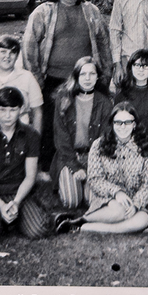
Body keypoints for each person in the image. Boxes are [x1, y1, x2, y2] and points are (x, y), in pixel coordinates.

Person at [22, 0, 111, 170]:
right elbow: (29, 45)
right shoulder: (44, 11)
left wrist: (105, 75)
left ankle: (89, 163)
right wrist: (37, 79)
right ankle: (48, 167)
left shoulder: (91, 11)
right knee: (51, 125)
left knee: (85, 123)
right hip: (53, 79)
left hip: (85, 79)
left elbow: (104, 43)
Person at [56, 105, 148, 234]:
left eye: (127, 122)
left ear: (134, 124)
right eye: (118, 122)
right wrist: (117, 192)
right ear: (112, 124)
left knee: (142, 220)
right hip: (107, 199)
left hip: (136, 200)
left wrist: (136, 205)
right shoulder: (99, 145)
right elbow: (94, 179)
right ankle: (84, 220)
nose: (122, 127)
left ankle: (83, 227)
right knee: (119, 210)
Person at [0, 87, 50, 240]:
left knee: (38, 231)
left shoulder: (31, 135)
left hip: (19, 191)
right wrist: (1, 205)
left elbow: (30, 176)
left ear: (20, 110)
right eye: (2, 110)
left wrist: (16, 202)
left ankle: (19, 215)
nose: (7, 115)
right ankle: (4, 217)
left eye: (13, 110)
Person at [49, 56, 112, 210]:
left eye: (92, 74)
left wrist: (92, 166)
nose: (87, 78)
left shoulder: (104, 103)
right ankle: (71, 183)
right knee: (72, 201)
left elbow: (104, 139)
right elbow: (61, 138)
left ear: (98, 77)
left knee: (92, 201)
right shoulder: (64, 99)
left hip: (94, 158)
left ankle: (85, 187)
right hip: (69, 156)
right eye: (83, 74)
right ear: (76, 76)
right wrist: (75, 167)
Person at [114, 49, 148, 152]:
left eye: (145, 66)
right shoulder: (121, 94)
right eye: (137, 65)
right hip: (126, 151)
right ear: (131, 67)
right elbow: (117, 129)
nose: (141, 69)